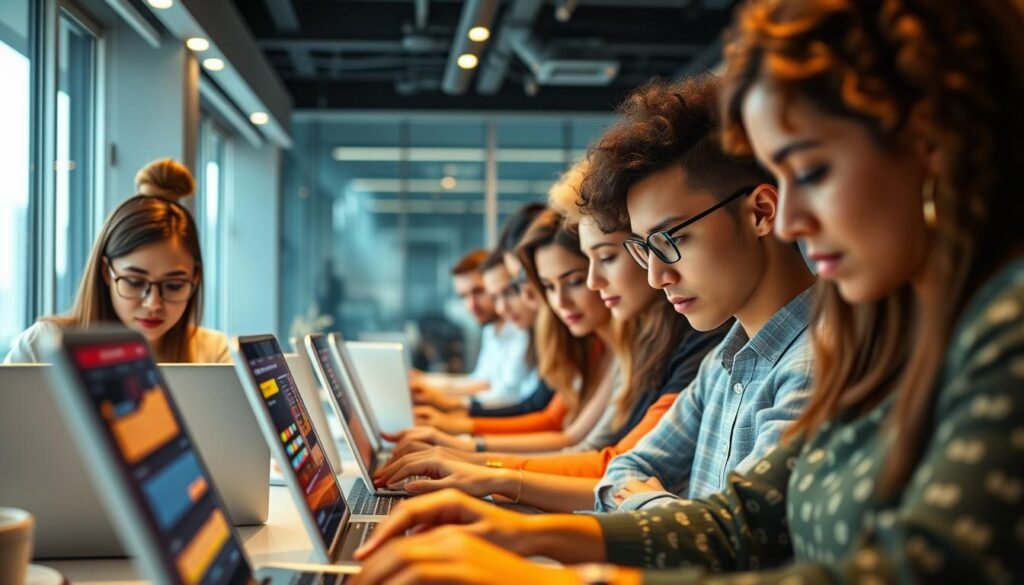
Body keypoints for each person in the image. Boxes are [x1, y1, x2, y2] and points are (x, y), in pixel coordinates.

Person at [352, 1, 1024, 583]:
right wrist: (516, 531)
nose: (791, 219)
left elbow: (924, 571)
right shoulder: (872, 335)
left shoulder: (1001, 320)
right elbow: (738, 523)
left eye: (812, 170)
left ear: (933, 142)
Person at [370, 163, 730, 511]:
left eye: (603, 260)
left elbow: (605, 460)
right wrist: (465, 451)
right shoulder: (645, 343)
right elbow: (587, 449)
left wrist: (476, 460)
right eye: (545, 286)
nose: (588, 285)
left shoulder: (696, 343)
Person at [384, 210, 619, 458]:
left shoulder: (598, 345)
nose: (528, 295)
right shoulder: (588, 343)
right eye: (545, 284)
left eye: (517, 286)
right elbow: (566, 435)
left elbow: (560, 432)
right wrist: (467, 448)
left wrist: (470, 450)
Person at [4, 195, 229, 364]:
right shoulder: (42, 345)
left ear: (195, 278)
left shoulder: (214, 352)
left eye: (173, 285)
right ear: (105, 272)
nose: (153, 303)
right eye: (134, 281)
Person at [410, 249, 533, 408]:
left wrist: (446, 401)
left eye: (479, 292)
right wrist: (425, 381)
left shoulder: (520, 327)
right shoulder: (491, 329)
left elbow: (504, 392)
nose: (471, 305)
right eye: (464, 296)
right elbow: (480, 381)